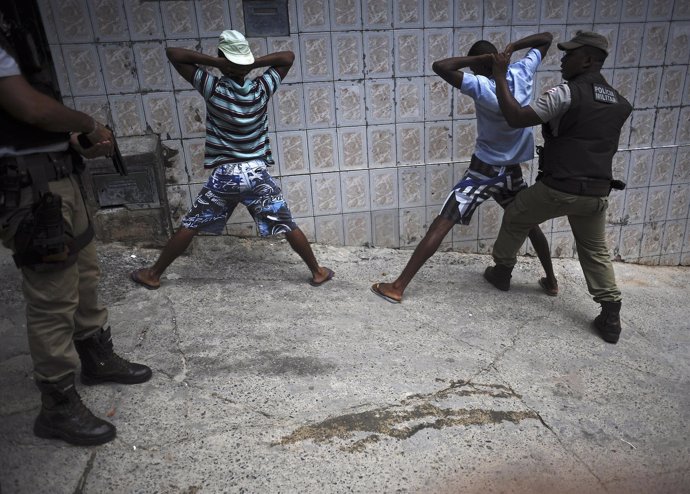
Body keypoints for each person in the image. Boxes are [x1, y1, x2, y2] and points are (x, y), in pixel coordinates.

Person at [0, 23, 152, 445]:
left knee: (86, 275)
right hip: (27, 187)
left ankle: (96, 357)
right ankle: (58, 404)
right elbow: (29, 108)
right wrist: (87, 122)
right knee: (52, 298)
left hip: (58, 175)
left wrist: (76, 140)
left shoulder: (17, 33)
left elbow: (34, 123)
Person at [130, 30, 333, 290]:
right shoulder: (261, 89)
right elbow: (287, 57)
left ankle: (154, 274)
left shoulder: (212, 88)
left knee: (191, 224)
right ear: (246, 61)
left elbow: (174, 55)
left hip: (225, 176)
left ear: (223, 58)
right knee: (286, 223)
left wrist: (217, 64)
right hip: (257, 174)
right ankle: (317, 271)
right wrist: (252, 64)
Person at [371, 32, 557, 304]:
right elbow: (546, 39)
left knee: (442, 222)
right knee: (528, 223)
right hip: (512, 171)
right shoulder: (522, 71)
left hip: (483, 172)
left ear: (481, 67)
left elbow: (441, 66)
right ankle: (551, 281)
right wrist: (513, 47)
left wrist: (482, 60)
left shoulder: (481, 85)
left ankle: (398, 286)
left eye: (475, 67)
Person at [484, 31, 632, 344]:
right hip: (596, 193)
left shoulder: (565, 93)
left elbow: (515, 117)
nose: (563, 59)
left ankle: (502, 272)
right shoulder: (620, 102)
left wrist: (499, 76)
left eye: (570, 55)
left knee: (516, 214)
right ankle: (611, 313)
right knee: (595, 250)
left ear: (589, 60)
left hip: (558, 187)